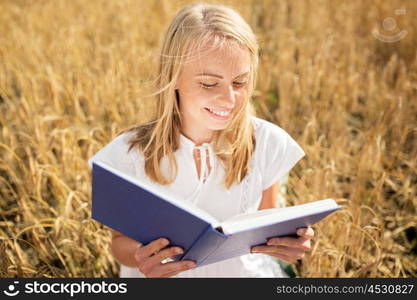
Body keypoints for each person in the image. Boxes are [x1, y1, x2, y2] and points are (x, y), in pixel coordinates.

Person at [88, 2, 314, 278]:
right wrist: (141, 256)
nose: (230, 100)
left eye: (240, 82)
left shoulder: (266, 143)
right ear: (173, 78)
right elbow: (119, 243)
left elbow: (264, 230)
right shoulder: (128, 154)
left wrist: (286, 246)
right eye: (209, 83)